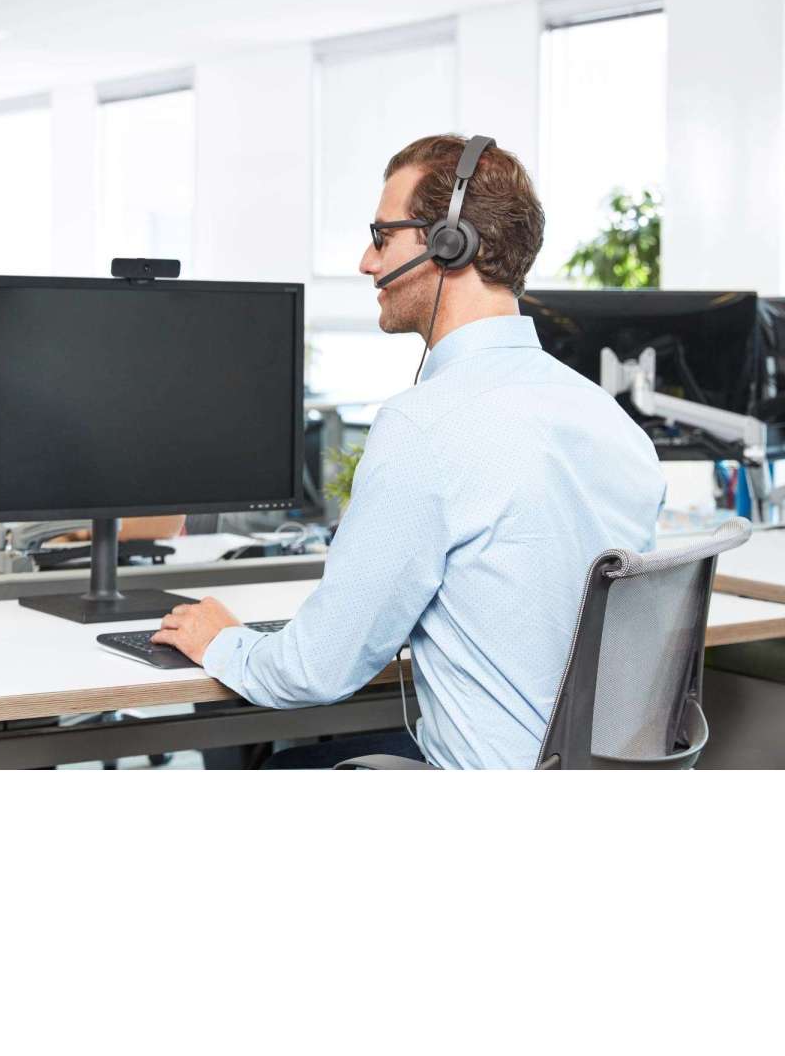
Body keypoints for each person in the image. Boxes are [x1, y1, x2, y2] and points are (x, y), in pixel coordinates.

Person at [151, 134, 666, 769]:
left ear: (449, 244)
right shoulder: (609, 419)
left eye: (381, 236)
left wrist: (223, 641)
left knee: (267, 766)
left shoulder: (424, 426)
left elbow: (316, 670)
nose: (367, 262)